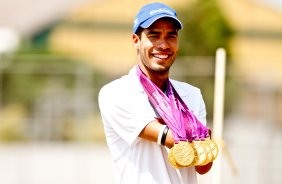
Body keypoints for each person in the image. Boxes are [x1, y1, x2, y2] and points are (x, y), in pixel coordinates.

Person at [98, 2, 213, 184]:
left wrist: (201, 143)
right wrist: (198, 134)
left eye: (171, 36)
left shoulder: (192, 94)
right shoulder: (115, 93)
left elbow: (203, 165)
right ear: (136, 40)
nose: (163, 44)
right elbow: (173, 139)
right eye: (154, 35)